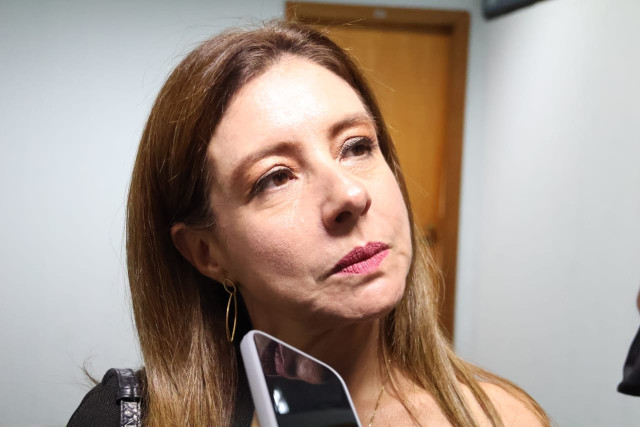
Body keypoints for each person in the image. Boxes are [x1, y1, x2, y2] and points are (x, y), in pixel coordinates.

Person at [69, 21, 549, 426]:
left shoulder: (504, 418)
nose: (350, 195)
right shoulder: (126, 418)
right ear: (206, 252)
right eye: (276, 177)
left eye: (357, 146)